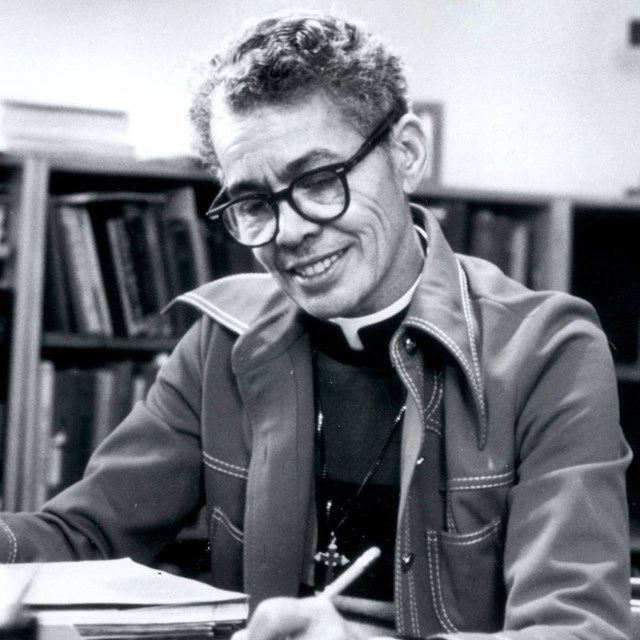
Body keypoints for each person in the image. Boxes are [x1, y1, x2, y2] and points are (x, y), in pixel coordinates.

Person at [0, 10, 632, 640]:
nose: (293, 231)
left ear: (406, 153)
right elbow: (82, 538)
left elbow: (578, 631)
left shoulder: (549, 352)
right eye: (253, 203)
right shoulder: (221, 343)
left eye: (321, 180)